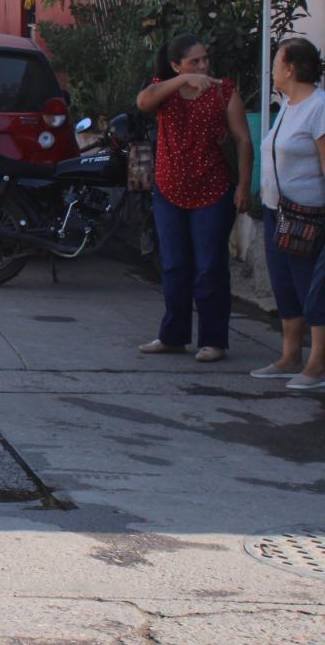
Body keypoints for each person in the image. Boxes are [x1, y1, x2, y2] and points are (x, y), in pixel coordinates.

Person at [136, 32, 252, 362]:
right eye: (194, 61)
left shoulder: (222, 90)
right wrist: (183, 80)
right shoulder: (165, 90)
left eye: (205, 59)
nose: (203, 66)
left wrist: (244, 185)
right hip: (169, 190)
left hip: (212, 191)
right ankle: (172, 336)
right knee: (173, 266)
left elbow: (243, 140)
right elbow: (143, 102)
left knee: (209, 267)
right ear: (176, 65)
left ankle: (214, 340)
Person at [252, 38, 325, 390]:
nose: (273, 71)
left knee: (310, 287)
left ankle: (317, 364)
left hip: (307, 216)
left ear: (291, 68)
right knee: (284, 285)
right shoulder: (289, 105)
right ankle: (289, 355)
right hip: (275, 210)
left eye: (277, 63)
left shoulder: (318, 106)